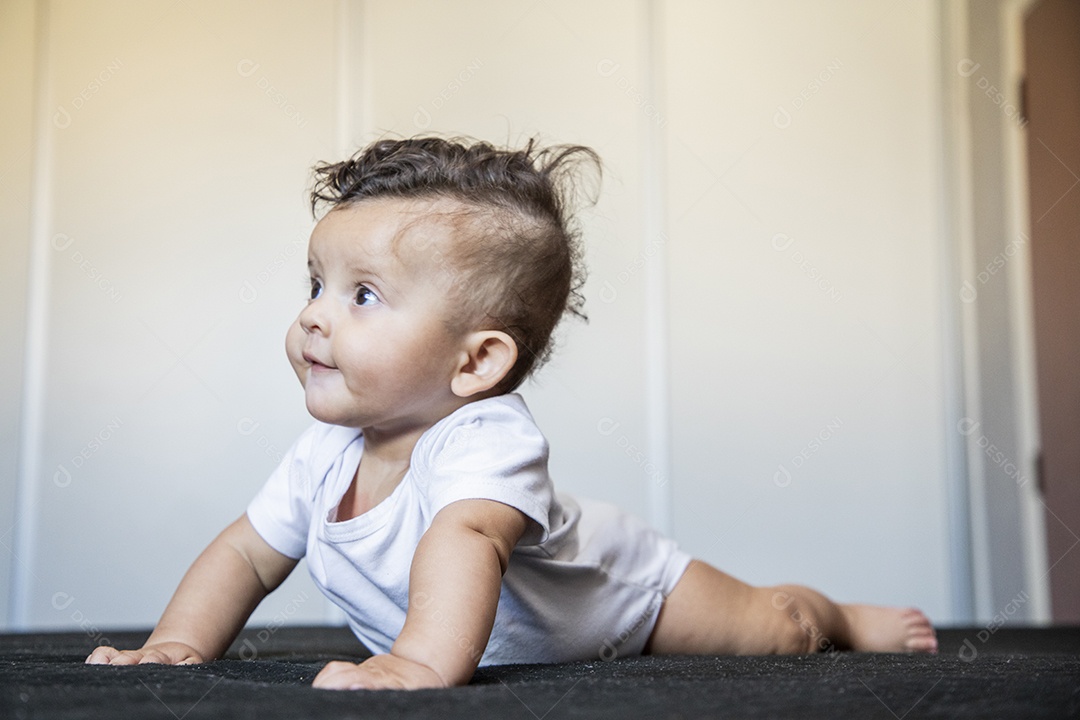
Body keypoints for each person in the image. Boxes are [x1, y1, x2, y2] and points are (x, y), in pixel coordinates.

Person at [86, 136, 938, 690]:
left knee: (778, 635)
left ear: (477, 361)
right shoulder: (326, 454)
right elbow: (244, 551)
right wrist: (176, 646)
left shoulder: (486, 438)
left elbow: (464, 541)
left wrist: (418, 664)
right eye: (316, 284)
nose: (315, 315)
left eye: (364, 295)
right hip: (527, 626)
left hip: (621, 597)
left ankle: (841, 614)